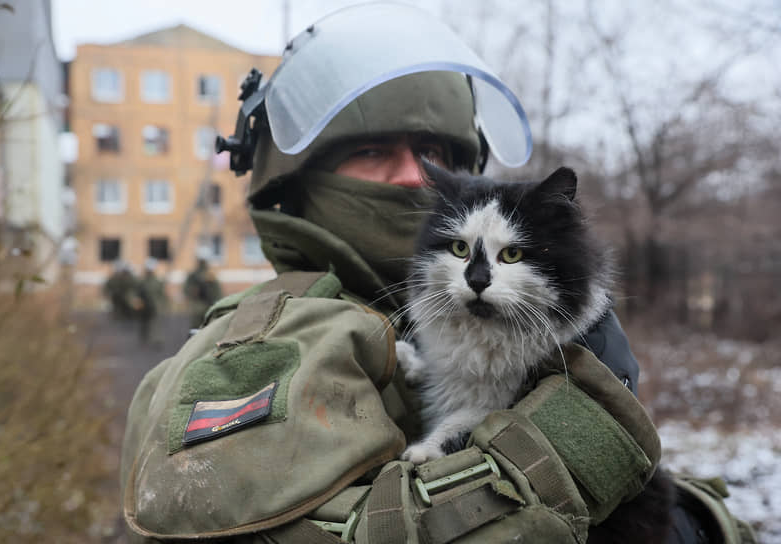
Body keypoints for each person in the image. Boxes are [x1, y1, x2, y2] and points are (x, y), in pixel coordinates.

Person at [120, 4, 756, 543]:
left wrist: (683, 518)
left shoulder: (432, 313)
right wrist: (569, 452)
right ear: (300, 178)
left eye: (434, 155)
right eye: (372, 151)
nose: (409, 176)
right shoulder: (264, 343)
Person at [182, 248, 222, 327]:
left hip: (208, 304)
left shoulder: (210, 275)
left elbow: (217, 291)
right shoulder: (193, 276)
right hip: (198, 304)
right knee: (198, 326)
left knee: (207, 326)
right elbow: (186, 289)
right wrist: (192, 292)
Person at [134, 257, 165, 344]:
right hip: (145, 306)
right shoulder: (142, 282)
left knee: (155, 324)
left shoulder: (157, 281)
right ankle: (144, 340)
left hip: (155, 306)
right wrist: (138, 302)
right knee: (145, 324)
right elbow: (137, 293)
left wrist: (162, 304)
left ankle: (157, 340)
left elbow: (161, 294)